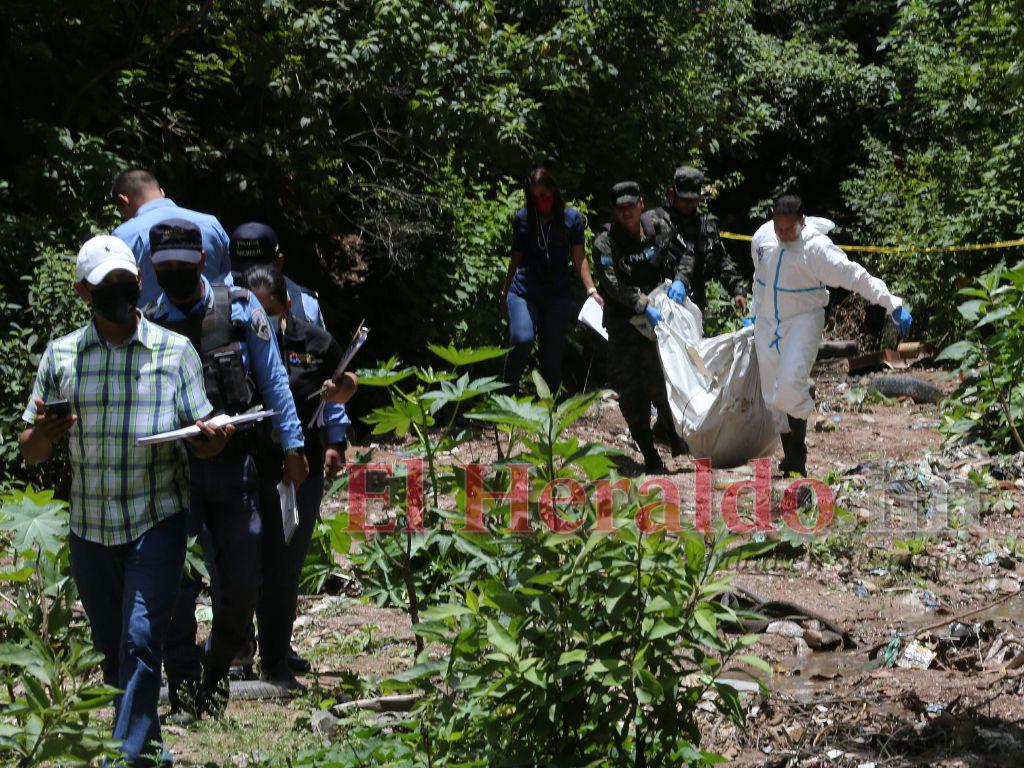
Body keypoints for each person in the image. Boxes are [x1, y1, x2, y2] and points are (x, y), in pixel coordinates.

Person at [19, 235, 230, 767]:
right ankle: (150, 754)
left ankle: (119, 760)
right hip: (91, 526)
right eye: (106, 284)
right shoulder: (62, 355)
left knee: (140, 640)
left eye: (126, 281)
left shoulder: (173, 351)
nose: (120, 291)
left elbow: (206, 432)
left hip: (155, 517)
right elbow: (30, 451)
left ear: (138, 283)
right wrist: (45, 432)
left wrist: (211, 439)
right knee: (115, 650)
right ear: (82, 292)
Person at [142, 219, 309, 721]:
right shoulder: (149, 321)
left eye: (182, 266)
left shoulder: (239, 308)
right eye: (164, 267)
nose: (174, 273)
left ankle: (217, 673)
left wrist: (294, 444)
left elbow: (274, 379)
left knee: (240, 582)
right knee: (176, 588)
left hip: (236, 472)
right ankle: (186, 688)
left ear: (202, 263)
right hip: (176, 477)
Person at [227, 222, 351, 677]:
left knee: (284, 566)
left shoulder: (308, 317)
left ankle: (275, 657)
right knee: (243, 562)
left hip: (300, 464)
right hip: (245, 460)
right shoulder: (227, 314)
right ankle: (237, 653)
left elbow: (334, 381)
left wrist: (335, 437)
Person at [750, 194, 913, 477]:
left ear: (802, 221)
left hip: (802, 320)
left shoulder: (817, 250)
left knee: (790, 384)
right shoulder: (763, 238)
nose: (784, 234)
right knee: (772, 396)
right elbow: (759, 278)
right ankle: (790, 457)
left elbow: (855, 276)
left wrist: (891, 302)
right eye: (779, 228)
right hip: (767, 322)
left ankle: (797, 456)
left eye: (790, 229)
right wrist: (754, 310)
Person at [594, 182, 690, 473]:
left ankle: (675, 438)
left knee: (664, 383)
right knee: (632, 391)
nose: (626, 214)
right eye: (620, 209)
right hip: (624, 324)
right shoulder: (605, 242)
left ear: (641, 204)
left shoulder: (659, 227)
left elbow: (686, 255)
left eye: (631, 207)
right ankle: (649, 454)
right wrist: (640, 303)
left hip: (659, 321)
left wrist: (682, 281)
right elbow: (611, 284)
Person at [499, 168, 602, 393]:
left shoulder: (571, 219)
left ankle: (548, 414)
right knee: (522, 338)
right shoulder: (524, 219)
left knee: (552, 355)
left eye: (543, 195)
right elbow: (515, 257)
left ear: (553, 192)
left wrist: (591, 290)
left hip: (556, 293)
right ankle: (505, 396)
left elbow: (579, 257)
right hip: (524, 290)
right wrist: (505, 291)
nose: (540, 201)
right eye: (534, 197)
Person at [111, 168, 232, 305]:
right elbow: (227, 279)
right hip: (214, 320)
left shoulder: (124, 236)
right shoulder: (211, 224)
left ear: (123, 200)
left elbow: (117, 294)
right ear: (162, 192)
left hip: (152, 323)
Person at [659, 166, 748, 313]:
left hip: (694, 299)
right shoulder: (657, 221)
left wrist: (737, 290)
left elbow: (721, 260)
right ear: (672, 193)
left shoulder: (705, 225)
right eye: (684, 199)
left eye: (693, 200)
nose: (688, 204)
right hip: (661, 295)